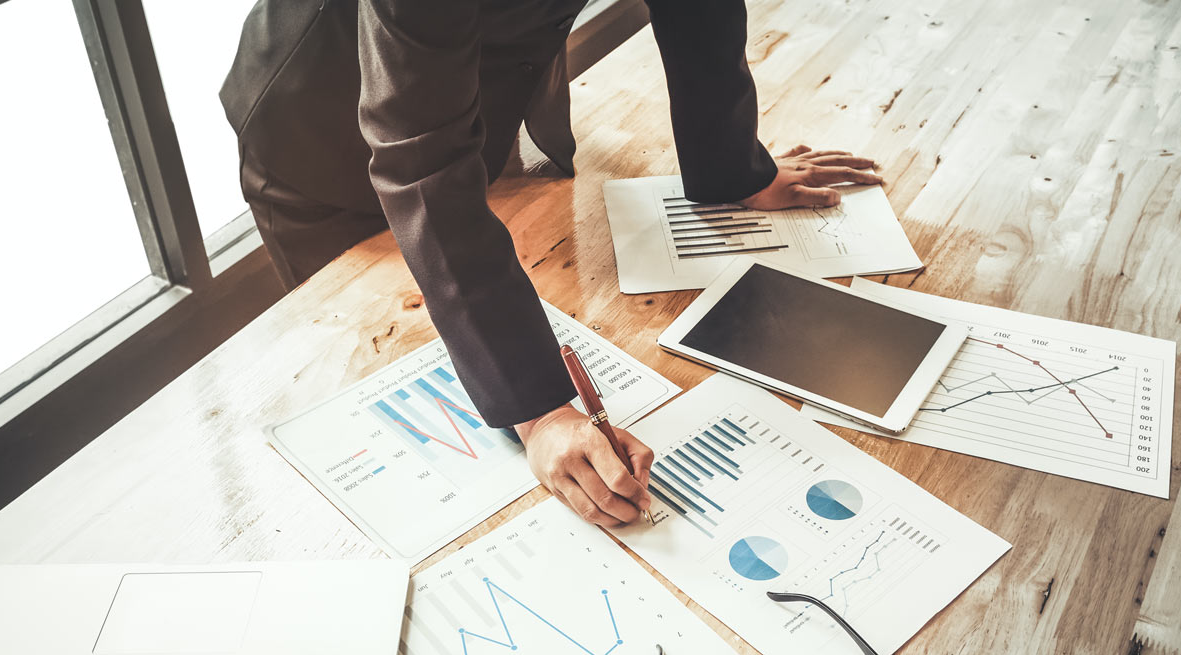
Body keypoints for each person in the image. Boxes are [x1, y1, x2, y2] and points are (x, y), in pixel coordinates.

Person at [221, 0, 880, 528]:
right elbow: (421, 160)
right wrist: (537, 409)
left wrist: (731, 168)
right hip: (322, 137)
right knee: (365, 398)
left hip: (478, 90)